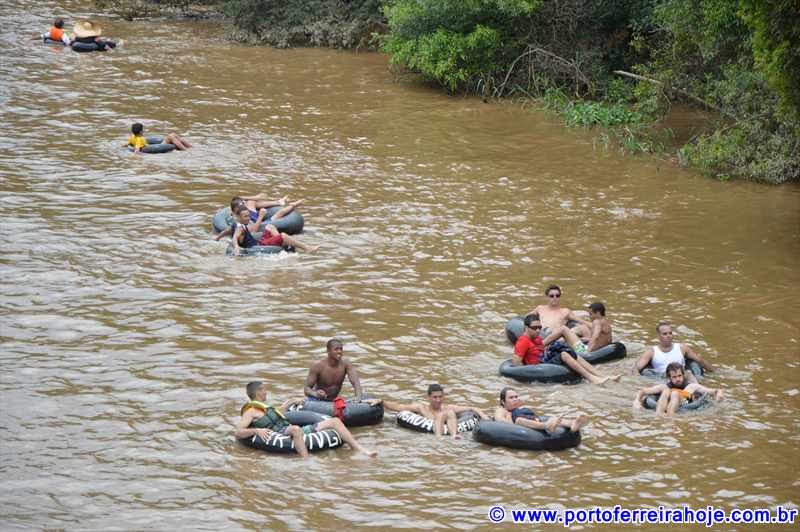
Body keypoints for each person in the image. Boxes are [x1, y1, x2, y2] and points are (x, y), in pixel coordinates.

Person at [234, 381, 376, 458]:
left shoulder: (265, 407)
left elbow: (279, 414)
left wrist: (292, 401)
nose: (266, 392)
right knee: (295, 429)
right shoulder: (251, 411)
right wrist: (257, 430)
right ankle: (305, 461)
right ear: (258, 392)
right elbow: (238, 432)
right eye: (264, 389)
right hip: (280, 435)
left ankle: (358, 449)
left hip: (290, 430)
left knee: (335, 421)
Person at [513, 314, 619, 385]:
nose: (538, 330)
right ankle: (592, 379)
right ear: (526, 328)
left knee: (569, 352)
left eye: (539, 327)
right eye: (534, 328)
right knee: (564, 354)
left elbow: (542, 350)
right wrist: (529, 376)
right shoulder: (523, 341)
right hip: (538, 367)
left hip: (544, 360)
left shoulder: (536, 338)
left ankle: (601, 375)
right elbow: (516, 365)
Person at [381, 384, 490, 440]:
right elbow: (399, 407)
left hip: (448, 431)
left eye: (440, 397)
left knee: (449, 412)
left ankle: (454, 435)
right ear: (428, 397)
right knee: (443, 415)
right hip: (431, 433)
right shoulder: (421, 408)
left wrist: (485, 417)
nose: (438, 400)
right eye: (435, 397)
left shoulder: (448, 407)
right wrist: (382, 401)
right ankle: (439, 439)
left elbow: (472, 408)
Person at [304, 339, 374, 408]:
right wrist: (316, 394)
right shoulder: (318, 366)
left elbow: (355, 382)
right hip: (318, 401)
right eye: (336, 349)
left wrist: (358, 398)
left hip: (333, 401)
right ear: (328, 351)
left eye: (341, 349)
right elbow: (306, 389)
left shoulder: (346, 363)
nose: (339, 352)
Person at [633, 362, 723, 415]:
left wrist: (719, 393)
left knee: (675, 393)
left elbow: (713, 391)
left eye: (679, 376)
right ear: (669, 378)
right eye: (674, 377)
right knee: (666, 391)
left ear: (683, 375)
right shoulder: (664, 387)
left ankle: (670, 418)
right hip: (665, 402)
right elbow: (643, 391)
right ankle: (660, 416)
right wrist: (636, 401)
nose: (678, 379)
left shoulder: (691, 387)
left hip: (684, 403)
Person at [632, 322, 715, 379]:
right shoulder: (651, 352)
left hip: (680, 378)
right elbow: (637, 368)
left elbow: (700, 360)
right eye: (665, 334)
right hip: (662, 379)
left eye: (670, 333)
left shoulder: (682, 348)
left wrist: (714, 372)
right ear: (658, 336)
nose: (668, 336)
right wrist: (638, 381)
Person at [227, 203, 315, 255]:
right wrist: (236, 247)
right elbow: (235, 237)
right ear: (239, 216)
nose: (248, 218)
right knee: (283, 236)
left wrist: (218, 237)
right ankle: (307, 248)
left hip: (257, 242)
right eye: (245, 216)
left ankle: (284, 244)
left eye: (249, 216)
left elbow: (227, 231)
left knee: (270, 227)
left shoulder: (236, 223)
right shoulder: (240, 227)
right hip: (259, 246)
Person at [214, 196, 307, 244]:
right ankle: (285, 242)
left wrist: (217, 238)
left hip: (259, 226)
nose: (244, 204)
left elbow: (228, 231)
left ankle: (291, 205)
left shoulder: (243, 219)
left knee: (278, 216)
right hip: (257, 231)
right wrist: (261, 216)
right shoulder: (239, 224)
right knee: (279, 229)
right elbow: (252, 230)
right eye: (242, 204)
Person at [495, 387, 588, 434]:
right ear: (503, 401)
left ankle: (572, 423)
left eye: (516, 397)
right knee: (520, 420)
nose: (515, 399)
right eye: (511, 398)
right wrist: (511, 421)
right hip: (520, 424)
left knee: (553, 418)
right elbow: (499, 421)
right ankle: (547, 426)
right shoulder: (502, 410)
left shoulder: (518, 409)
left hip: (533, 420)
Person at [541, 301, 612, 353]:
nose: (590, 317)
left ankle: (540, 346)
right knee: (583, 328)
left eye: (591, 314)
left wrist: (588, 351)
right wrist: (587, 340)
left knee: (563, 329)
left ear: (598, 313)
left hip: (584, 350)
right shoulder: (606, 322)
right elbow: (605, 339)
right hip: (597, 349)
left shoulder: (597, 322)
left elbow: (595, 336)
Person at [126, 122, 192, 152]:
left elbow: (127, 144)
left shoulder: (132, 137)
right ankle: (186, 150)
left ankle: (190, 147)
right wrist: (136, 156)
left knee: (173, 135)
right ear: (141, 132)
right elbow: (137, 149)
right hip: (156, 147)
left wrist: (122, 147)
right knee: (171, 136)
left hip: (152, 145)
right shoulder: (139, 139)